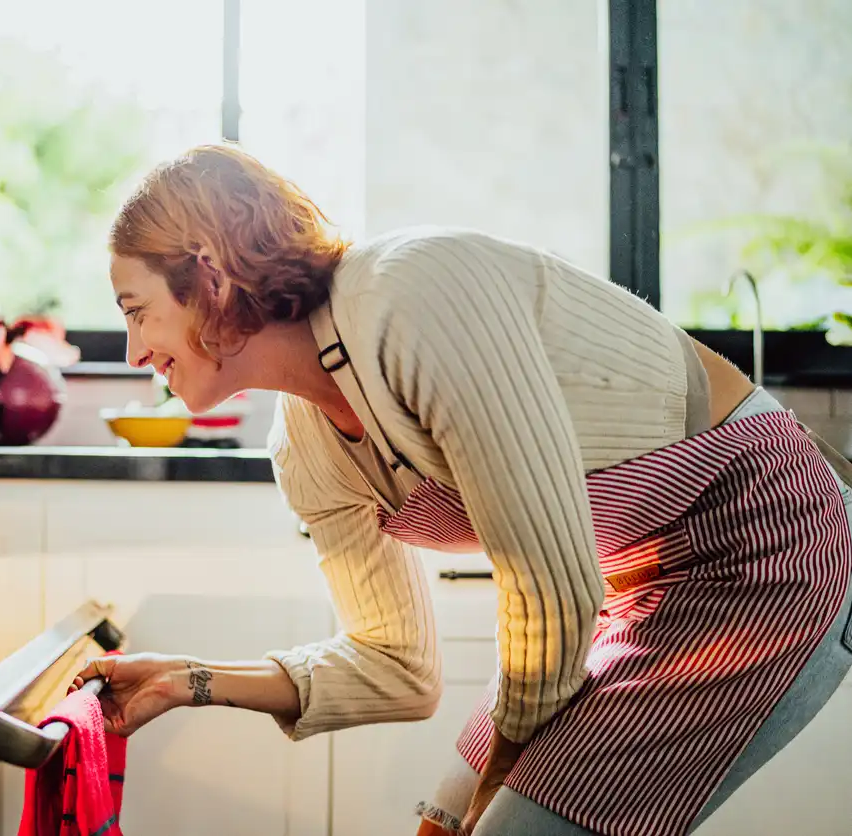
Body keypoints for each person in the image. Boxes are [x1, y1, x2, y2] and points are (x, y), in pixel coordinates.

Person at [70, 144, 852, 835]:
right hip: (627, 594)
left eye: (137, 312)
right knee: (447, 825)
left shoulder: (411, 292)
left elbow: (550, 585)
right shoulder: (306, 450)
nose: (136, 349)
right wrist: (189, 682)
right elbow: (394, 669)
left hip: (767, 550)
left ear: (208, 273)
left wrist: (495, 783)